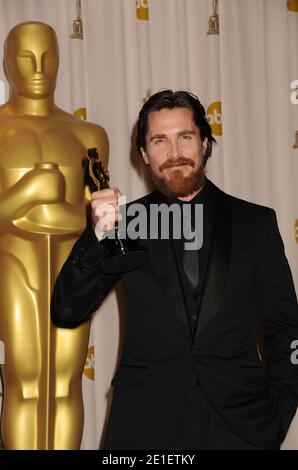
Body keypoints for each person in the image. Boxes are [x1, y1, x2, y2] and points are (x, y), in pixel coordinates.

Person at [51, 90, 298, 450]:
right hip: (144, 428)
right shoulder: (126, 223)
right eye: (159, 141)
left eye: (185, 137)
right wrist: (96, 235)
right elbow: (67, 309)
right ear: (144, 156)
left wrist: (279, 408)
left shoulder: (256, 224)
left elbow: (287, 328)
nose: (174, 153)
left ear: (205, 143)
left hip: (241, 427)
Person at [0, 21, 108, 449]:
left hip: (72, 269)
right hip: (13, 264)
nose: (38, 68)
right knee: (24, 378)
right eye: (26, 57)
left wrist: (50, 212)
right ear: (8, 63)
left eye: (48, 57)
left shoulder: (89, 134)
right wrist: (27, 192)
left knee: (66, 381)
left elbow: (101, 219)